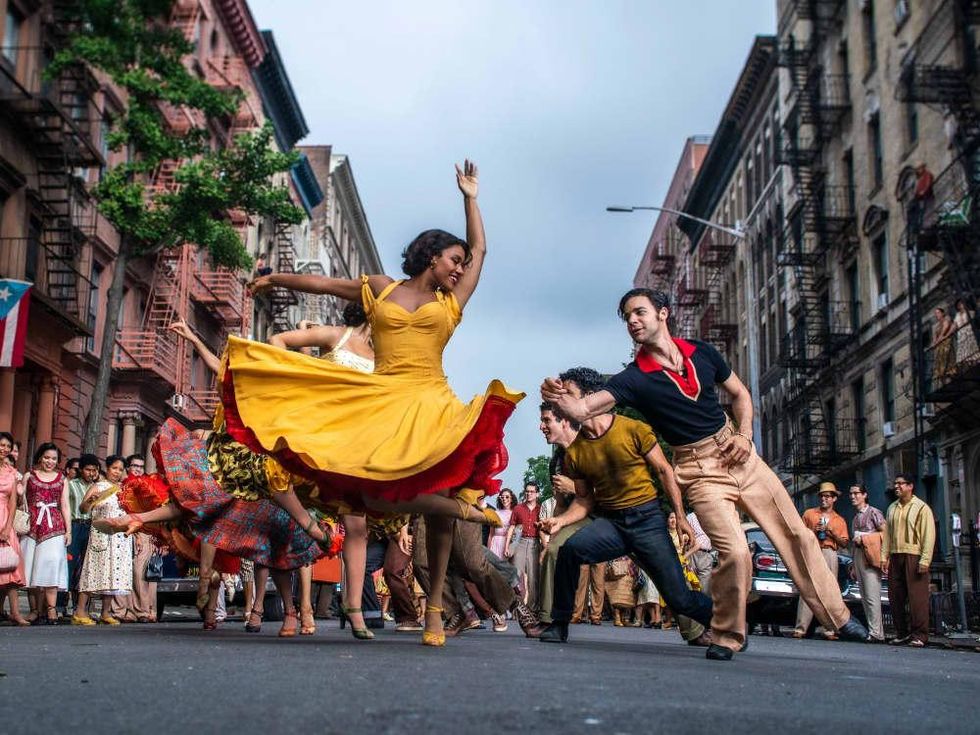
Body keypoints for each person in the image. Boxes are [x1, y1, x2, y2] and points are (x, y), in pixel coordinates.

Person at [227, 161, 519, 647]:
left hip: (431, 400)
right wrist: (275, 278)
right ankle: (471, 514)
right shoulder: (382, 287)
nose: (461, 267)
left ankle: (435, 611)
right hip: (381, 398)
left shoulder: (452, 302)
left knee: (438, 502)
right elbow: (323, 285)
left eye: (463, 263)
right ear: (432, 257)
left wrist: (471, 197)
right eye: (454, 259)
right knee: (374, 495)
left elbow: (483, 248)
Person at [542, 289, 869, 660]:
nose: (632, 321)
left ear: (663, 313)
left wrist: (746, 436)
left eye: (639, 312)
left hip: (739, 454)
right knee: (735, 552)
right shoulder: (634, 379)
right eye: (626, 318)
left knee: (797, 535)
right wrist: (558, 397)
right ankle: (728, 635)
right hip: (699, 471)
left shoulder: (702, 352)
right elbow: (584, 407)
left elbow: (741, 395)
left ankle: (839, 619)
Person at [537, 367, 713, 648]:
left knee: (678, 597)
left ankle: (723, 619)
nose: (563, 403)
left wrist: (680, 516)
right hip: (613, 524)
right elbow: (584, 499)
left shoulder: (633, 429)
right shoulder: (576, 451)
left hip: (646, 521)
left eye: (569, 395)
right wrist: (561, 521)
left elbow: (665, 471)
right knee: (570, 551)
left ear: (590, 398)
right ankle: (558, 624)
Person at [536, 403, 588, 625]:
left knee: (656, 560)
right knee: (552, 552)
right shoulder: (556, 460)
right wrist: (551, 532)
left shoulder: (589, 449)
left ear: (564, 421)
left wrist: (574, 488)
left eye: (546, 420)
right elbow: (559, 504)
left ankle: (695, 626)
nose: (541, 426)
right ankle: (548, 620)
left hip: (610, 514)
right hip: (575, 516)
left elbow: (607, 493)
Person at [75, 455, 133, 625]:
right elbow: (83, 509)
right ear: (106, 469)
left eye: (120, 469)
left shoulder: (124, 489)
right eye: (114, 468)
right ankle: (80, 611)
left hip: (120, 537)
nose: (117, 472)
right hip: (100, 534)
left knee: (113, 573)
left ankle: (105, 613)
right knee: (92, 571)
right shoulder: (98, 487)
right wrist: (90, 501)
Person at [20, 443, 70, 625]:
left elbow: (65, 505)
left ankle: (51, 610)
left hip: (54, 526)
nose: (50, 461)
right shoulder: (29, 476)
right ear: (40, 457)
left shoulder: (62, 479)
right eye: (47, 457)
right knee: (30, 567)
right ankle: (34, 610)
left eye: (54, 458)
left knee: (50, 565)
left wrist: (68, 530)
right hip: (31, 526)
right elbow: (20, 500)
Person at [883, 475, 935, 648]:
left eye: (900, 484)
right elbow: (887, 535)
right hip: (896, 554)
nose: (896, 486)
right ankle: (902, 632)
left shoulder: (921, 508)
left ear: (910, 486)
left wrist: (925, 559)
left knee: (917, 597)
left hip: (914, 554)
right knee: (895, 596)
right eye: (895, 483)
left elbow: (928, 535)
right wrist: (885, 556)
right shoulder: (892, 507)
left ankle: (920, 634)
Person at [792, 482, 849, 640]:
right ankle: (801, 628)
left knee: (829, 590)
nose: (824, 499)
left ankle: (829, 629)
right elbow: (798, 534)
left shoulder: (839, 520)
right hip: (812, 550)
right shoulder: (810, 514)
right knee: (808, 587)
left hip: (829, 552)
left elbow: (844, 542)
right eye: (822, 496)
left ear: (834, 499)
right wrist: (812, 532)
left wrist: (831, 533)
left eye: (828, 496)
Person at [849, 484, 886, 643]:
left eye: (856, 493)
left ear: (864, 495)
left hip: (870, 555)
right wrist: (852, 564)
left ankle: (877, 633)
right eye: (851, 494)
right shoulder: (856, 518)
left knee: (872, 595)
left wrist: (864, 538)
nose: (853, 496)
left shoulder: (874, 512)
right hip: (859, 555)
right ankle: (874, 631)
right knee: (864, 595)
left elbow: (885, 534)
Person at [66, 455, 99, 618]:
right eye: (87, 469)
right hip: (75, 525)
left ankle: (81, 608)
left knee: (86, 568)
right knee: (69, 566)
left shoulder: (99, 487)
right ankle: (60, 606)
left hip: (92, 527)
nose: (91, 473)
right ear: (81, 470)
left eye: (94, 470)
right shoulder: (71, 485)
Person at [0, 432, 28, 625]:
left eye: (8, 446)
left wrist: (7, 526)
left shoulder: (11, 472)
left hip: (4, 518)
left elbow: (12, 502)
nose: (5, 449)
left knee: (10, 567)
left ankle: (16, 613)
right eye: (1, 445)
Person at [505, 483, 542, 612]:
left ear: (537, 493)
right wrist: (507, 546)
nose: (529, 494)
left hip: (535, 543)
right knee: (515, 576)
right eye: (527, 491)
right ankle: (516, 608)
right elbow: (511, 527)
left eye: (532, 491)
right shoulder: (518, 508)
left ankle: (533, 608)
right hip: (520, 542)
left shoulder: (541, 508)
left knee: (534, 577)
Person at [486, 488, 516, 560]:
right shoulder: (495, 513)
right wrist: (488, 551)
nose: (504, 499)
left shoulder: (515, 513)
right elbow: (491, 534)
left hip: (508, 545)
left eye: (507, 497)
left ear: (512, 498)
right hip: (495, 544)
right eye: (502, 497)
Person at [930, 307, 956, 385]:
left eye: (938, 313)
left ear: (942, 313)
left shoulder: (946, 319)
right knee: (940, 363)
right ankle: (943, 380)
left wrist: (939, 339)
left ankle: (949, 377)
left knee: (947, 360)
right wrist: (934, 343)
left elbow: (945, 329)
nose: (936, 315)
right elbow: (934, 337)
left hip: (946, 344)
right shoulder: (937, 326)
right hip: (940, 346)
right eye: (935, 314)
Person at [953, 298, 978, 367]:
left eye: (961, 303)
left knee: (972, 348)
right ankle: (968, 364)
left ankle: (975, 361)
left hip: (968, 331)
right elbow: (954, 325)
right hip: (961, 334)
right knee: (963, 351)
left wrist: (965, 311)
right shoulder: (957, 315)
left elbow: (971, 320)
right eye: (958, 305)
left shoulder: (970, 312)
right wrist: (952, 331)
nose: (960, 305)